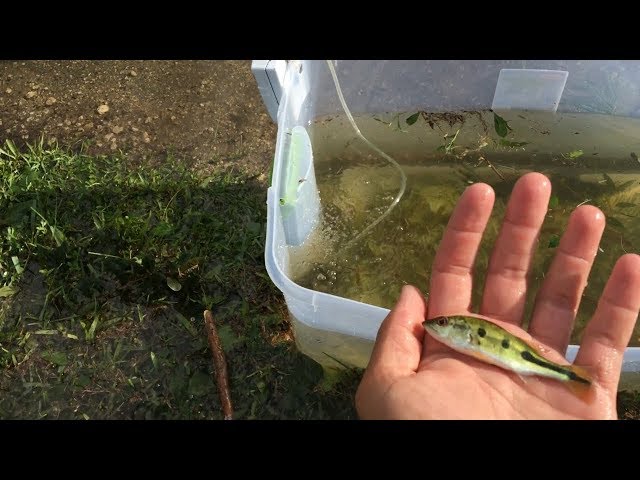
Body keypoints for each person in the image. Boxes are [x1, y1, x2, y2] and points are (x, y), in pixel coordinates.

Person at [355, 172, 640, 420]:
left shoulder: (466, 338)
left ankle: (571, 378)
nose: (433, 326)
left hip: (525, 361)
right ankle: (571, 378)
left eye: (443, 324)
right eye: (441, 323)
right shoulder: (463, 342)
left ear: (462, 331)